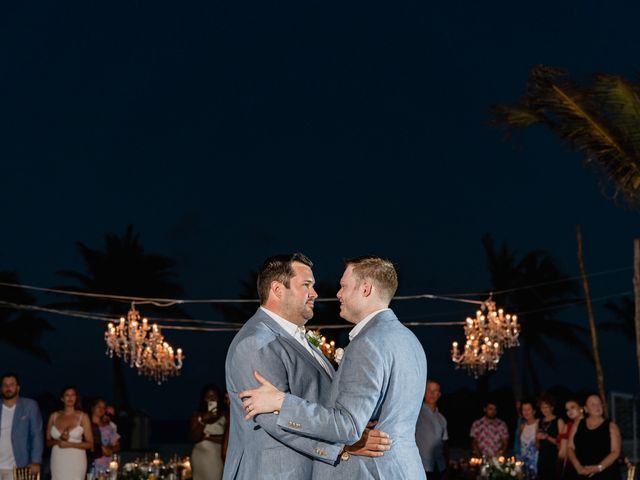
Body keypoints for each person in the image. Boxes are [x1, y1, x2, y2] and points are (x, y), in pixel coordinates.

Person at [240, 255, 428, 479]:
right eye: (307, 285)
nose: (337, 294)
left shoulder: (367, 343)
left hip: (368, 470)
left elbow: (348, 425)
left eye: (343, 286)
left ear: (365, 289)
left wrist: (281, 402)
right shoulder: (409, 340)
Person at [0, 373, 44, 480]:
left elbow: (36, 434)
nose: (8, 387)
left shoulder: (30, 406)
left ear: (18, 388)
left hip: (19, 466)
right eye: (5, 385)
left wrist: (36, 461)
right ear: (1, 388)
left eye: (11, 384)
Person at [567, 394, 621, 480]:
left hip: (605, 474)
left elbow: (615, 452)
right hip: (581, 473)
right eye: (593, 404)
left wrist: (599, 467)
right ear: (586, 409)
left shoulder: (611, 426)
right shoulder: (578, 424)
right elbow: (570, 447)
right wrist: (578, 466)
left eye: (599, 403)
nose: (597, 406)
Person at [46, 385, 93, 480]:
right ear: (62, 398)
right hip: (58, 459)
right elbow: (47, 442)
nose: (70, 398)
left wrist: (69, 444)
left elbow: (89, 444)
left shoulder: (83, 416)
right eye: (67, 395)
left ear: (76, 398)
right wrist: (58, 442)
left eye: (73, 395)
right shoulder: (54, 416)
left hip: (76, 459)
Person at [415, 379, 449, 480]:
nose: (432, 394)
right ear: (423, 392)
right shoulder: (416, 413)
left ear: (439, 394)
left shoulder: (442, 418)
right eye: (428, 390)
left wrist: (448, 467)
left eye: (435, 391)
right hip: (421, 466)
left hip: (440, 466)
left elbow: (445, 444)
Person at [191, 385, 225, 480]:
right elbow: (194, 438)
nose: (211, 399)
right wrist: (203, 420)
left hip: (215, 457)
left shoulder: (225, 415)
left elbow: (227, 439)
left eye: (214, 396)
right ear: (203, 399)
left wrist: (206, 436)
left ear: (219, 398)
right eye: (208, 396)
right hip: (199, 456)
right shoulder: (197, 415)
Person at [88, 398, 120, 476]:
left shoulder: (109, 427)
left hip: (106, 468)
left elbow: (117, 446)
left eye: (103, 407)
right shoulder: (86, 424)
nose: (101, 410)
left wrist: (110, 449)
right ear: (93, 408)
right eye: (99, 407)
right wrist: (102, 448)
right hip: (90, 466)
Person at [536, 394, 565, 480]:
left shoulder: (559, 421)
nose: (544, 410)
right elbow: (537, 445)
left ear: (552, 407)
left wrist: (547, 437)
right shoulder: (539, 421)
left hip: (554, 457)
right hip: (542, 457)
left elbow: (562, 444)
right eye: (542, 407)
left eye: (546, 407)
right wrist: (537, 439)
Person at [558, 398, 583, 479]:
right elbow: (562, 452)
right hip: (572, 467)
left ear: (581, 408)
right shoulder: (567, 426)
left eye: (572, 407)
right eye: (567, 409)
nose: (569, 411)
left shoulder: (591, 424)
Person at [518, 400, 539, 478]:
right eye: (524, 410)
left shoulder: (538, 423)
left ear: (534, 411)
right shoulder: (522, 426)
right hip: (524, 463)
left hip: (536, 463)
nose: (526, 412)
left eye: (528, 409)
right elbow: (520, 446)